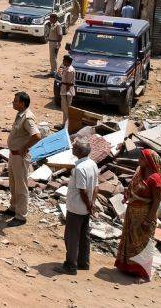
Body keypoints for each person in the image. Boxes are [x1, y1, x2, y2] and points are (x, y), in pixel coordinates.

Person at [115, 149, 161, 281]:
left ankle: (142, 273)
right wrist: (127, 196)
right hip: (132, 213)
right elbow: (132, 187)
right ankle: (128, 267)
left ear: (149, 161)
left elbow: (156, 201)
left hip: (144, 215)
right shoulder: (140, 172)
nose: (139, 160)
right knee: (129, 240)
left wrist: (149, 219)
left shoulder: (156, 179)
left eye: (142, 158)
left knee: (143, 243)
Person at [57, 137, 97, 275]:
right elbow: (95, 187)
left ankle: (70, 266)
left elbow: (83, 190)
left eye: (74, 147)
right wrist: (92, 204)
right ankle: (83, 263)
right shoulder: (92, 164)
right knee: (84, 235)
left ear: (79, 151)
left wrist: (88, 204)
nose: (72, 148)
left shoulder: (79, 168)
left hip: (76, 207)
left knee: (71, 237)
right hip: (85, 207)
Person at [3, 91, 41, 226]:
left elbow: (36, 136)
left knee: (21, 186)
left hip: (20, 156)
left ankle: (21, 216)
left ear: (23, 103)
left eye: (16, 101)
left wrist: (24, 147)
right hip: (13, 155)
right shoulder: (20, 115)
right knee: (13, 184)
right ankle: (13, 208)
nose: (13, 102)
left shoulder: (28, 117)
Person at [56, 54, 76, 128]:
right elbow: (64, 78)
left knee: (66, 110)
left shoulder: (70, 70)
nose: (63, 61)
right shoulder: (66, 68)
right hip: (64, 91)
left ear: (67, 61)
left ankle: (65, 125)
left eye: (64, 60)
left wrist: (66, 92)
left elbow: (69, 83)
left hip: (67, 92)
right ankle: (64, 124)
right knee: (65, 110)